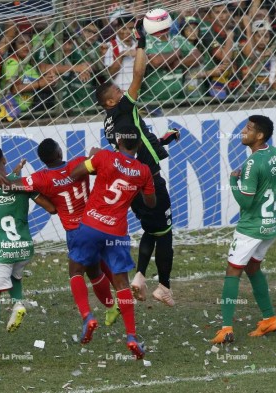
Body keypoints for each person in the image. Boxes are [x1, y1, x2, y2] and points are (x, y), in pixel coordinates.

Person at [0, 139, 121, 327]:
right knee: (102, 261)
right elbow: (104, 167)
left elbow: (7, 185)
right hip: (98, 222)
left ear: (42, 160)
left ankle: (103, 310)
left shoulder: (41, 178)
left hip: (77, 231)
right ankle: (123, 299)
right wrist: (94, 155)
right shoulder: (78, 162)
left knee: (82, 272)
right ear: (60, 154)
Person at [96, 20, 180, 306]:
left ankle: (140, 276)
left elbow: (134, 143)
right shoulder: (124, 108)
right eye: (117, 94)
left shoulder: (109, 124)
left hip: (132, 184)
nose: (123, 94)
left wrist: (162, 142)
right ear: (110, 102)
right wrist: (142, 43)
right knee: (165, 233)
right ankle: (164, 286)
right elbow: (139, 74)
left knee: (150, 228)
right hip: (148, 180)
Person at [68, 127, 156, 359]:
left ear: (118, 141)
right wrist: (137, 185)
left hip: (90, 226)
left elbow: (76, 173)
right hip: (116, 233)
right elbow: (150, 202)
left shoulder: (104, 157)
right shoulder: (143, 171)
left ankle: (87, 316)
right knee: (122, 285)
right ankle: (131, 336)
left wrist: (91, 159)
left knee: (76, 271)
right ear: (138, 146)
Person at [211, 115, 276, 344]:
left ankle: (226, 328)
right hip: (272, 224)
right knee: (253, 267)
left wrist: (234, 182)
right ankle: (270, 319)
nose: (243, 131)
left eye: (249, 128)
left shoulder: (252, 164)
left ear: (260, 136)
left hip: (252, 227)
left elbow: (245, 203)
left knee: (232, 271)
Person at [0, 146, 56, 367]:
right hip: (23, 247)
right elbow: (50, 208)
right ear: (5, 159)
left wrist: (9, 173)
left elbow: (0, 184)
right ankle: (18, 302)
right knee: (15, 275)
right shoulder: (23, 184)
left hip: (0, 250)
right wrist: (18, 177)